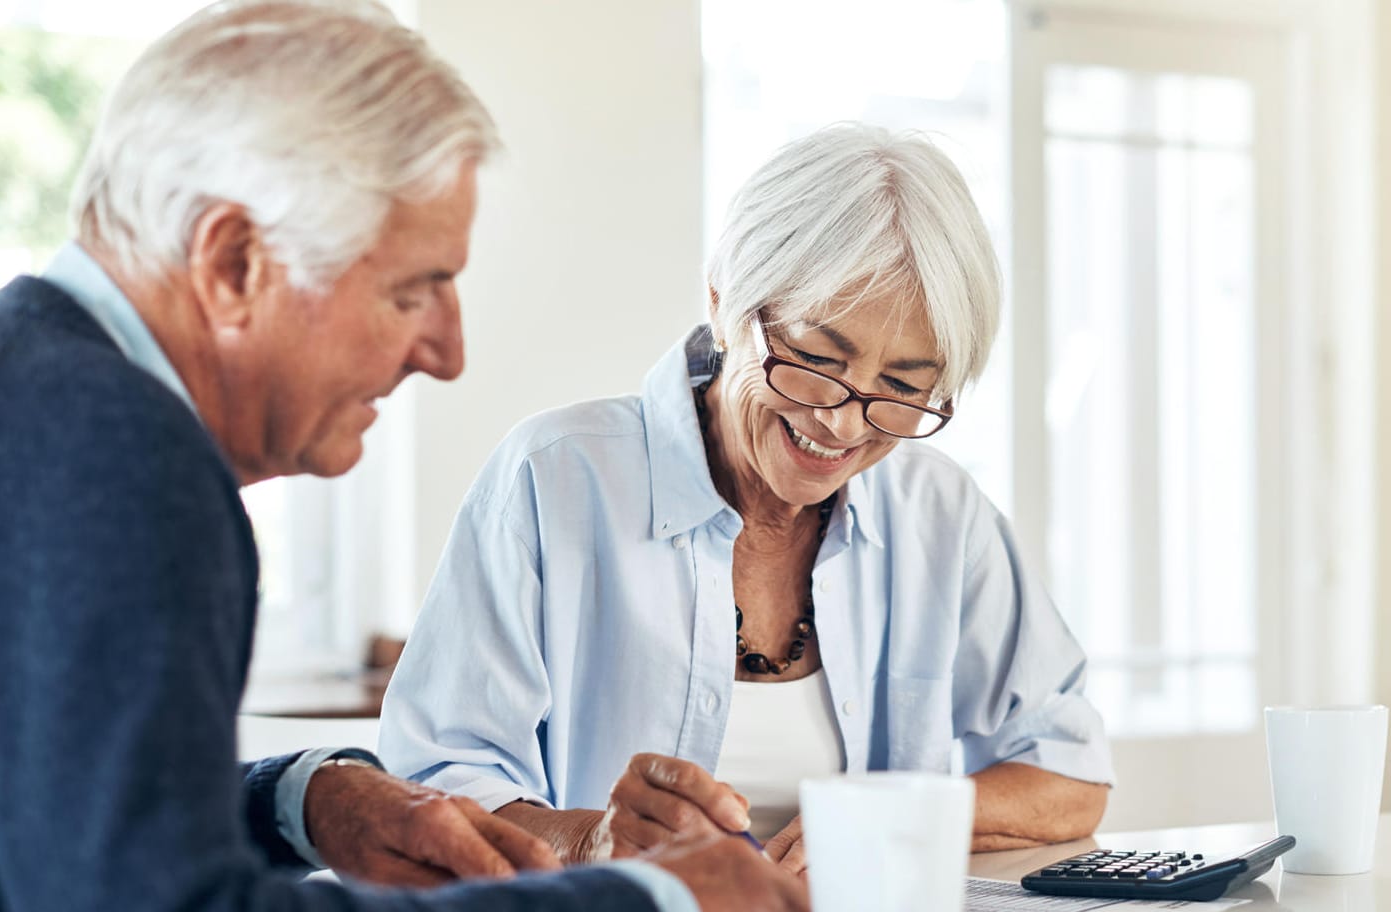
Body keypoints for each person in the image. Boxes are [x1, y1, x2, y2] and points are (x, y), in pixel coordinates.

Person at [0, 3, 812, 912]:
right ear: (233, 262)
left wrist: (301, 799)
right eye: (412, 289)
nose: (448, 352)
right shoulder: (129, 461)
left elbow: (39, 828)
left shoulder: (27, 378)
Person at [379, 124, 1116, 871]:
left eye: (900, 388)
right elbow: (431, 787)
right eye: (816, 358)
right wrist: (588, 841)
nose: (842, 421)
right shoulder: (554, 481)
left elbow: (1068, 770)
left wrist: (894, 817)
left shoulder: (939, 514)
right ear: (726, 303)